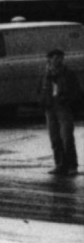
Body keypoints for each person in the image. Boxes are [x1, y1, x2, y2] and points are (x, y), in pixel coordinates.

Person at [41, 48, 79, 176]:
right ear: (50, 59)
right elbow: (40, 89)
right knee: (55, 138)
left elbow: (76, 91)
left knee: (67, 137)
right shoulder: (46, 74)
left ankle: (72, 165)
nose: (59, 61)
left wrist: (67, 100)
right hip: (50, 107)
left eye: (61, 58)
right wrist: (42, 101)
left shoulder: (68, 74)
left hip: (63, 107)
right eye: (56, 58)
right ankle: (60, 164)